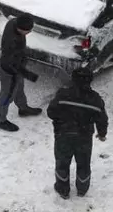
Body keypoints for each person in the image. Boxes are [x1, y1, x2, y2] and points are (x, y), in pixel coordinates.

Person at [46, 67, 108, 198]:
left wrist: (60, 121)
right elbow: (102, 119)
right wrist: (102, 133)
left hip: (63, 135)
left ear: (72, 79)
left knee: (62, 163)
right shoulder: (95, 99)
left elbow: (51, 112)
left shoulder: (63, 94)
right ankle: (82, 189)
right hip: (84, 137)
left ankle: (63, 189)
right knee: (84, 163)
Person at [0, 13, 42, 132]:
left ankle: (23, 108)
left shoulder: (14, 22)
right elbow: (11, 63)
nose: (30, 32)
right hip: (9, 72)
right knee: (7, 95)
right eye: (28, 31)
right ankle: (0, 120)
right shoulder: (12, 42)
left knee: (19, 88)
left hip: (17, 67)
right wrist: (28, 74)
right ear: (20, 29)